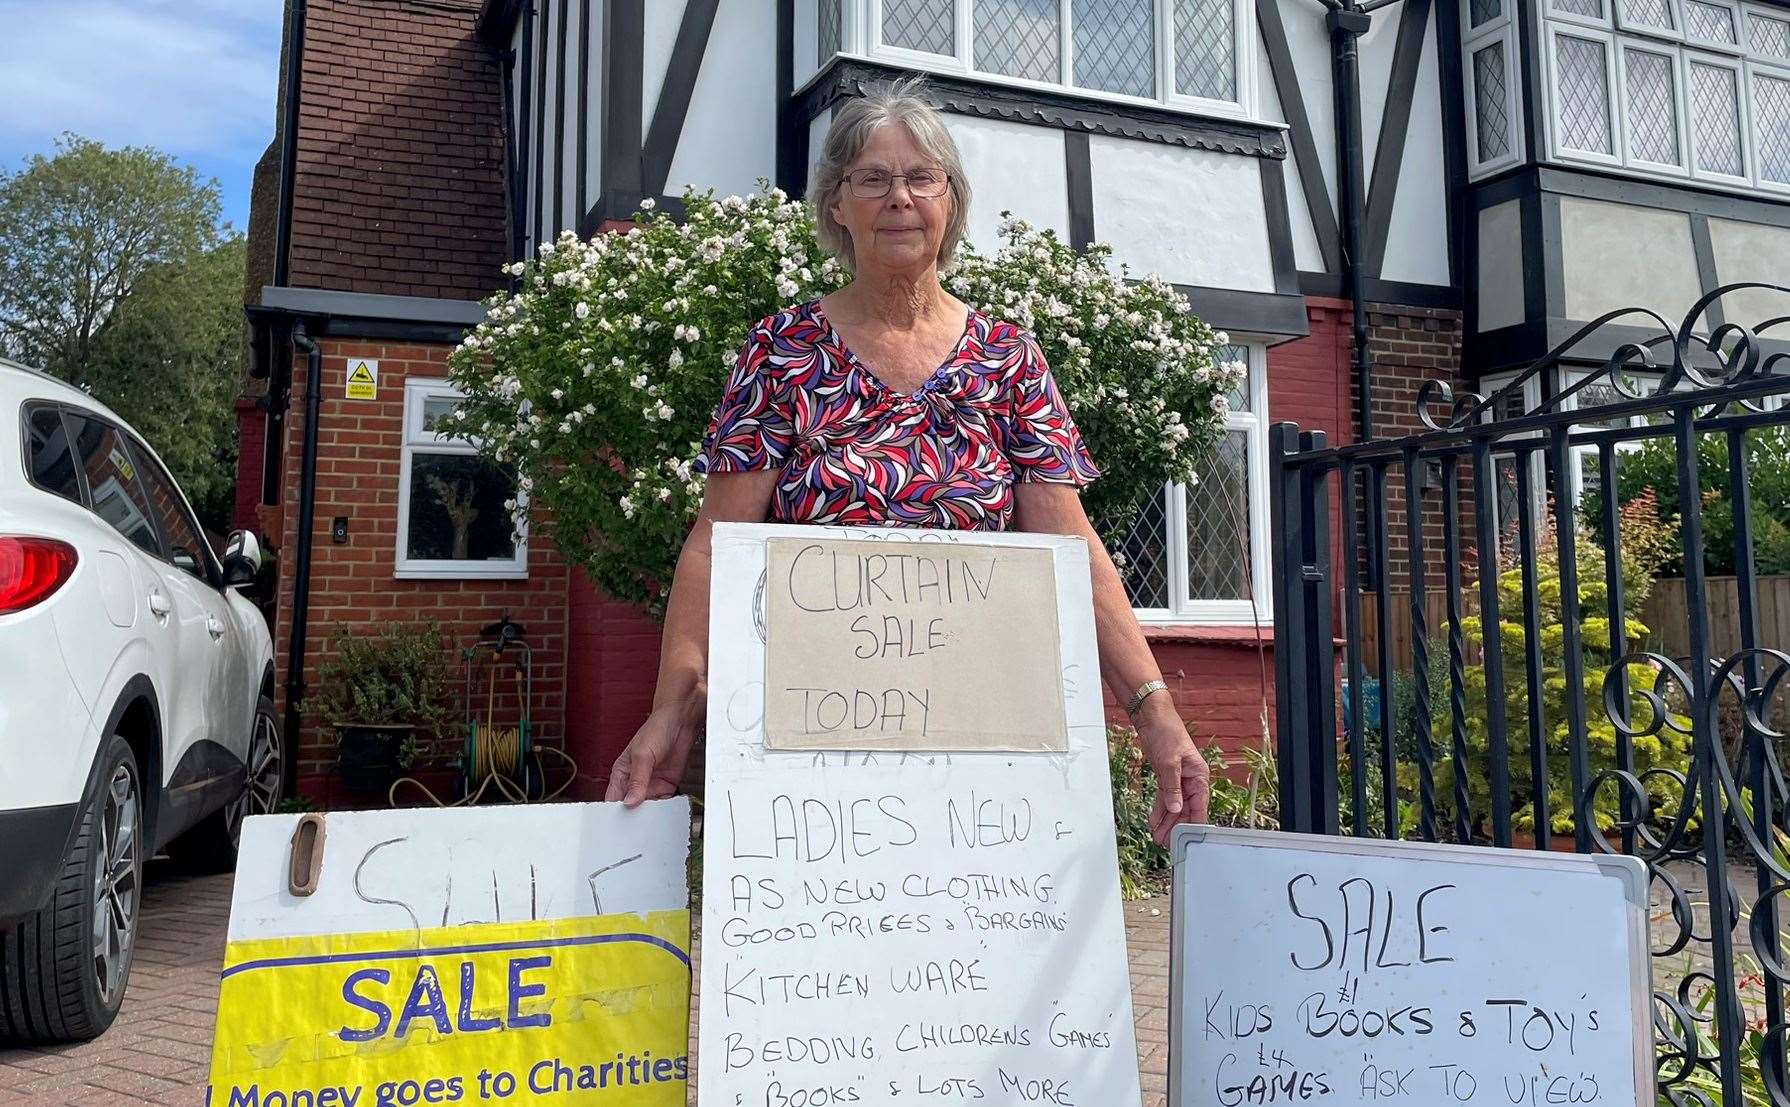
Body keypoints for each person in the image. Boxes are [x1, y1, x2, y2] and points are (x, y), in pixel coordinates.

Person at [604, 79, 1210, 845]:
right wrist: (673, 710)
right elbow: (712, 548)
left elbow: (1072, 550)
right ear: (835, 205)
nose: (900, 197)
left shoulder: (1008, 359)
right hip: (811, 757)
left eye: (922, 178)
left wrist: (1156, 712)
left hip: (984, 750)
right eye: (873, 178)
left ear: (949, 202)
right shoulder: (782, 352)